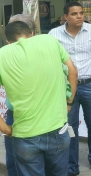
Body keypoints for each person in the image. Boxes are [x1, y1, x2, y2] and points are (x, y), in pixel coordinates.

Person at [0, 21, 78, 176]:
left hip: (25, 134)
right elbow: (73, 72)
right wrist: (69, 102)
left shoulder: (3, 54)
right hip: (58, 129)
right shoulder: (49, 41)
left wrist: (4, 128)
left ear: (8, 41)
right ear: (32, 34)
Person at [49, 1, 91, 176]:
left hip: (90, 86)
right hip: (67, 89)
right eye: (74, 14)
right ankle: (72, 164)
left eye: (81, 13)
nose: (79, 16)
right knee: (70, 127)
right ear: (65, 17)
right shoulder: (54, 34)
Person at [4, 14, 36, 176]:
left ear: (32, 34)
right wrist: (5, 128)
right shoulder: (5, 57)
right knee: (13, 162)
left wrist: (68, 105)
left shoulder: (45, 54)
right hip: (14, 116)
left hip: (42, 117)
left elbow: (70, 73)